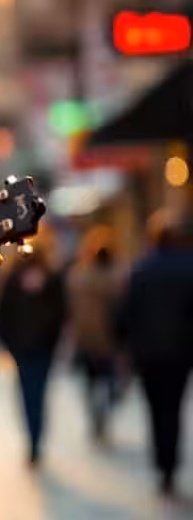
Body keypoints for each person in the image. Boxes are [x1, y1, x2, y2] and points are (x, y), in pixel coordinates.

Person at [120, 210, 193, 499]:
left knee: (154, 408)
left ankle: (162, 462)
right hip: (180, 352)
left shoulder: (142, 269)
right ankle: (170, 464)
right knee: (173, 407)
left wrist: (125, 343)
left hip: (147, 352)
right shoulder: (188, 267)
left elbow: (127, 313)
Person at [0, 233, 66, 466]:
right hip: (42, 348)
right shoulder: (52, 277)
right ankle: (36, 438)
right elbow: (61, 313)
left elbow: (2, 315)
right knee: (39, 393)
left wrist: (10, 344)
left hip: (23, 348)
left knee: (27, 393)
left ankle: (33, 439)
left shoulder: (13, 278)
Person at [66, 226, 125, 445]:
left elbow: (71, 308)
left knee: (90, 383)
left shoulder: (78, 276)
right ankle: (103, 416)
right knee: (110, 381)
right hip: (110, 340)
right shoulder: (118, 277)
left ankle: (96, 416)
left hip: (85, 339)